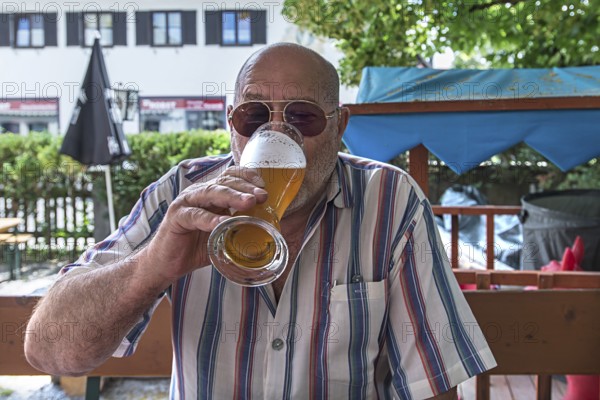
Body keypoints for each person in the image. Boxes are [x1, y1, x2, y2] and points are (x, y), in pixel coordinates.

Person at [25, 43, 496, 399]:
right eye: (254, 115)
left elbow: (431, 381)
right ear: (232, 122)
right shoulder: (182, 195)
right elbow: (49, 350)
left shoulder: (389, 199)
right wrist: (152, 267)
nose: (274, 133)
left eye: (303, 117)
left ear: (339, 126)